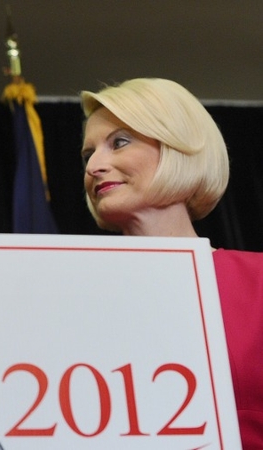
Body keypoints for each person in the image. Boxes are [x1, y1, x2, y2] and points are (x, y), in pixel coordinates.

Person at [80, 77, 263, 447]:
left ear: (177, 147)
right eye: (88, 155)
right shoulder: (74, 298)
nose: (95, 166)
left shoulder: (257, 280)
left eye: (119, 142)